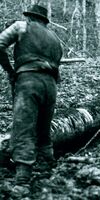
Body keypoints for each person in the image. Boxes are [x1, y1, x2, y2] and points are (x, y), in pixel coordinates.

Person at [0, 4, 62, 196]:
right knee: (44, 129)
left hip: (28, 81)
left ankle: (23, 181)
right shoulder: (55, 38)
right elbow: (57, 67)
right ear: (44, 20)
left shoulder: (21, 26)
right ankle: (47, 167)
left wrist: (11, 71)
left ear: (30, 17)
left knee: (24, 127)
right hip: (50, 85)